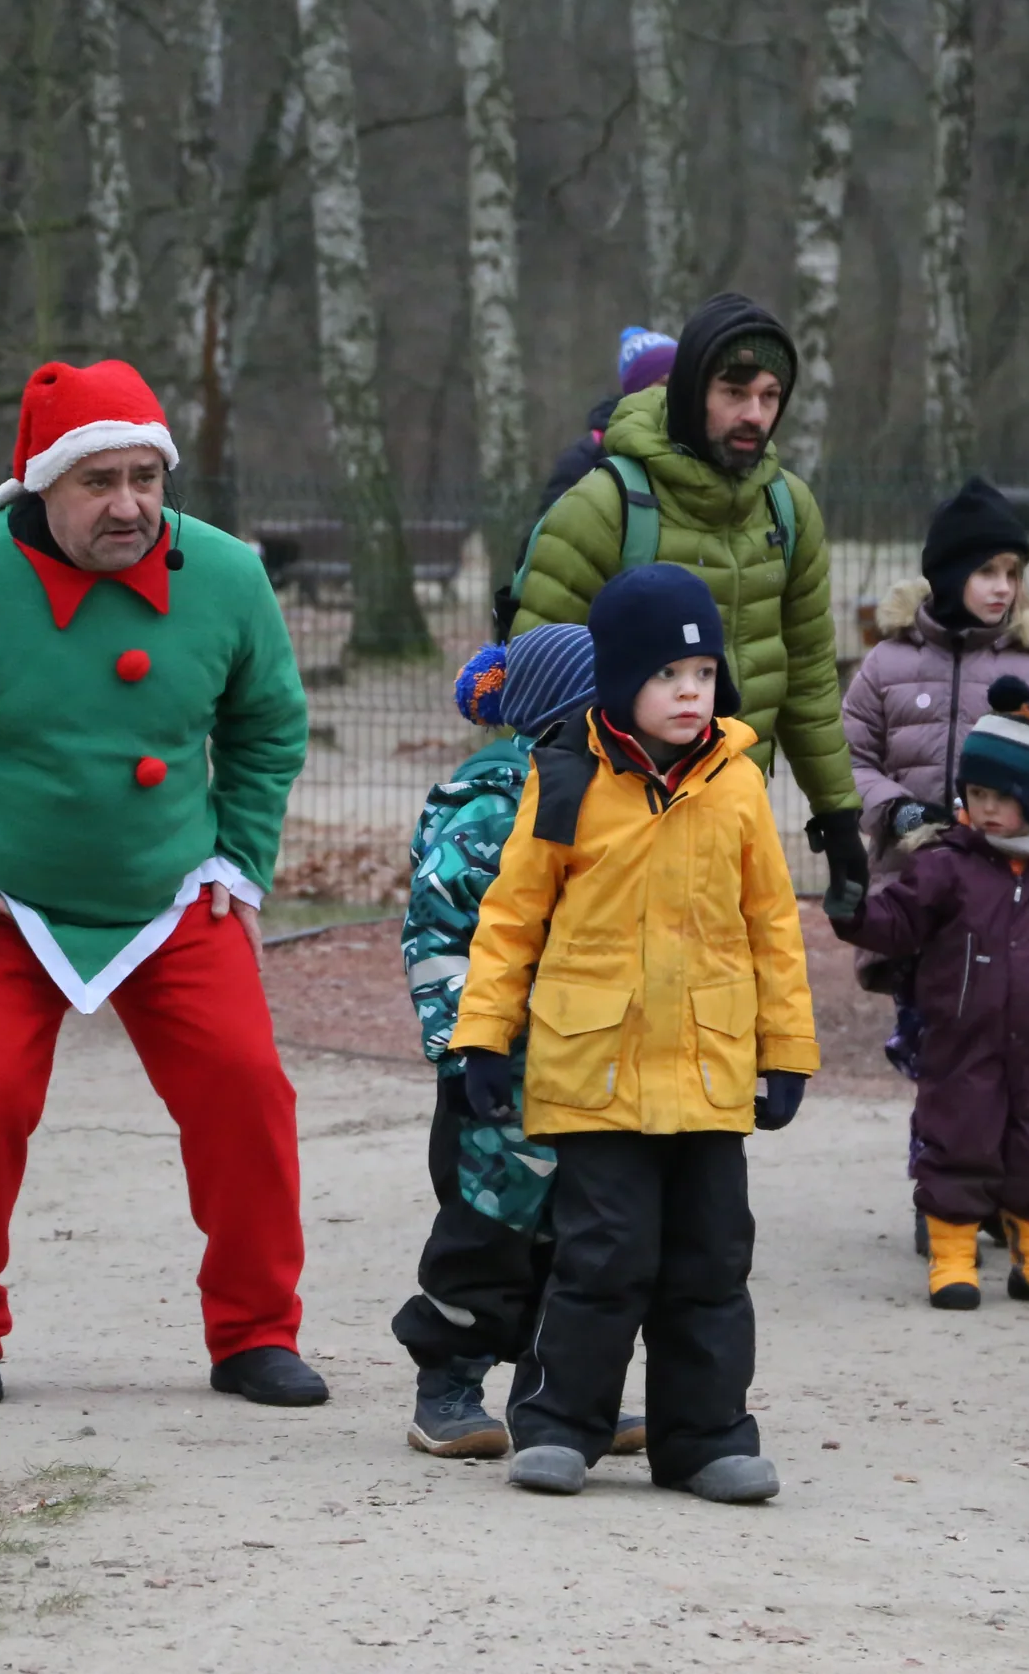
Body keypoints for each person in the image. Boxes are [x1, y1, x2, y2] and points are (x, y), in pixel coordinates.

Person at [0, 359, 321, 1409]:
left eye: (146, 476)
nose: (130, 505)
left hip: (173, 889)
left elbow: (267, 723)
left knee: (246, 1090)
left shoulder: (227, 575)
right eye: (98, 481)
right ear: (40, 484)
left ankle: (253, 1333)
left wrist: (239, 854)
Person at [449, 564, 818, 1505]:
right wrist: (481, 1038)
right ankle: (561, 1424)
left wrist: (786, 1052)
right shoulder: (567, 776)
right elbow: (510, 918)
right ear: (619, 683)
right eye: (666, 677)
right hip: (596, 1070)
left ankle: (704, 1440)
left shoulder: (738, 781)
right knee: (603, 1257)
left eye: (702, 675)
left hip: (707, 1068)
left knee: (709, 1261)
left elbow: (773, 925)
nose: (690, 693)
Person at [506, 292, 867, 916]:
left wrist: (838, 819)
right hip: (609, 835)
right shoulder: (603, 507)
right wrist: (558, 837)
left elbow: (807, 674)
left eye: (770, 396)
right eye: (734, 392)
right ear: (692, 391)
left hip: (733, 817)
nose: (754, 413)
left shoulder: (790, 510)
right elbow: (538, 690)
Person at [394, 624, 640, 1460]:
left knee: (587, 1236)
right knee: (488, 1232)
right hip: (496, 1071)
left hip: (594, 1063)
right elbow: (438, 933)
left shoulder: (624, 798)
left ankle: (566, 1395)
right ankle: (448, 1383)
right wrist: (463, 1045)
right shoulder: (491, 804)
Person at [833, 677, 1029, 1310]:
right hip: (960, 1041)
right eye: (977, 794)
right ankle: (953, 1257)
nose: (987, 809)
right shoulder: (945, 866)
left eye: (1003, 797)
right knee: (955, 1139)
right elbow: (899, 923)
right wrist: (855, 911)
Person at [841, 477, 1029, 1077]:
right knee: (932, 1061)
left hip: (1008, 894)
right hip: (913, 893)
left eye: (1013, 572)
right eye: (987, 571)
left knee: (1001, 1056)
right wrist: (896, 810)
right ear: (950, 574)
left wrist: (1021, 817)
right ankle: (941, 1168)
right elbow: (847, 761)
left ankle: (995, 1167)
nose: (1003, 587)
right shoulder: (887, 663)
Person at [533, 326, 677, 518]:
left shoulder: (705, 446)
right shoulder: (584, 461)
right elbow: (546, 538)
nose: (678, 391)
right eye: (665, 383)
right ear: (636, 391)